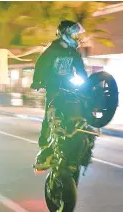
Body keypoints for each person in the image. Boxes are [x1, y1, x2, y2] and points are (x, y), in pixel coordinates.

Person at [31, 20, 88, 170]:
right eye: (73, 34)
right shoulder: (52, 49)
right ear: (65, 34)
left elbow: (80, 69)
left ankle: (78, 144)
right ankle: (44, 145)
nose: (76, 37)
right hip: (54, 87)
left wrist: (86, 82)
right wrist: (37, 81)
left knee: (80, 111)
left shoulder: (73, 52)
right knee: (49, 115)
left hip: (69, 86)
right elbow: (40, 64)